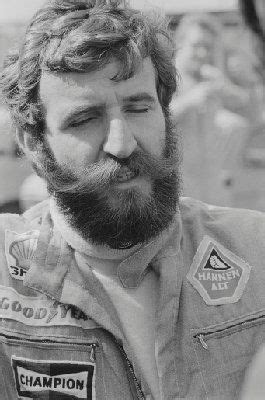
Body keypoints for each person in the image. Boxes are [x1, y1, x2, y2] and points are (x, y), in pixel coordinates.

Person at [1, 1, 265, 399]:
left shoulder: (254, 251)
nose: (122, 145)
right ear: (34, 144)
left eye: (139, 107)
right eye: (84, 119)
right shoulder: (8, 281)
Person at [170, 13, 250, 206]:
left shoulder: (208, 77)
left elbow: (244, 102)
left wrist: (225, 85)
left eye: (208, 47)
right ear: (180, 43)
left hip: (212, 181)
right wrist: (190, 101)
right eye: (197, 46)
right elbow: (153, 120)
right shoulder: (166, 79)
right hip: (179, 183)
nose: (203, 54)